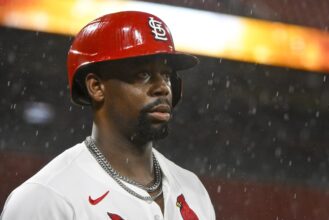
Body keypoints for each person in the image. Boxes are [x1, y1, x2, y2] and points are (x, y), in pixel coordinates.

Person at [1, 11, 215, 220]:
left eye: (167, 75)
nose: (163, 88)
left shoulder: (193, 190)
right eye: (143, 74)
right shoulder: (47, 198)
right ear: (96, 87)